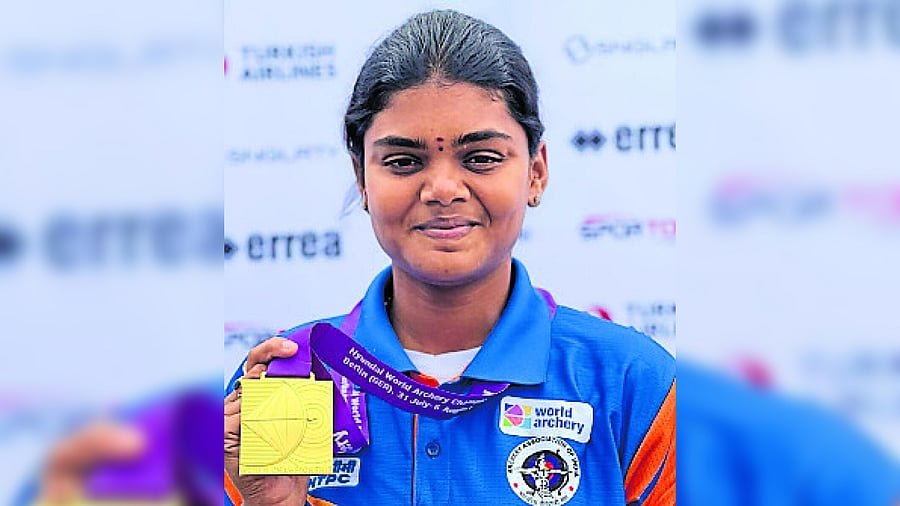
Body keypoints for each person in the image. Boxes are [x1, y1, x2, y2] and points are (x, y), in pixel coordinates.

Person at [224, 9, 675, 506]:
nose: (442, 189)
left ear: (536, 172)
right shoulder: (296, 378)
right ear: (362, 179)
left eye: (480, 158)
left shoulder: (632, 382)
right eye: (403, 162)